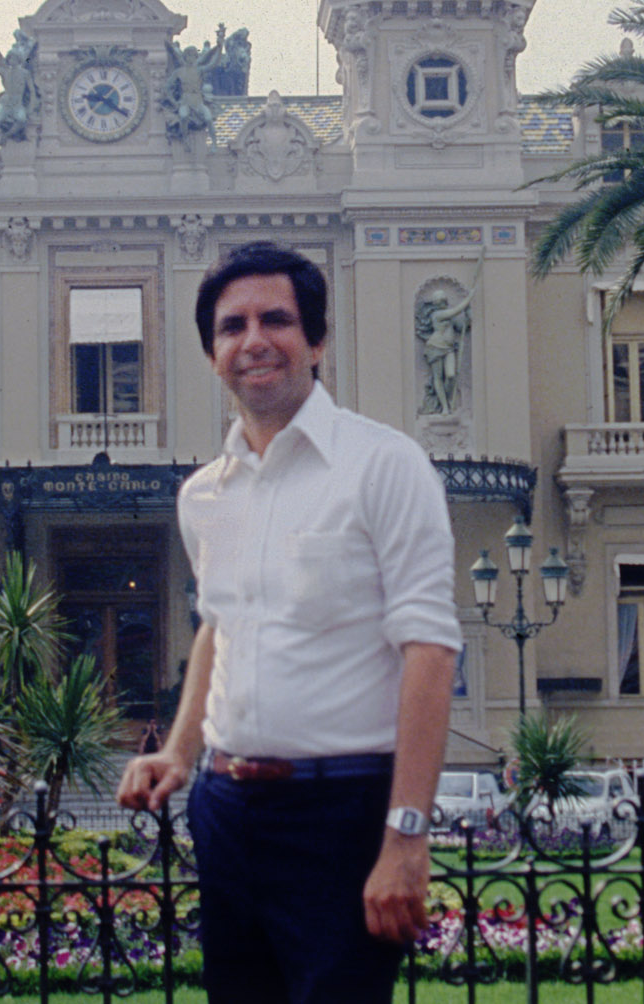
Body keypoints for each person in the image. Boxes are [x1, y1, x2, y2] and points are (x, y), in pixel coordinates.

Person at [116, 241, 461, 1003]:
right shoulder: (205, 496)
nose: (254, 340)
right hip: (226, 810)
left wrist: (406, 836)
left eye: (276, 320)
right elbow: (219, 628)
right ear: (212, 354)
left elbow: (430, 649)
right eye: (232, 326)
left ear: (317, 340)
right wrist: (178, 753)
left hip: (342, 811)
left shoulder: (384, 465)